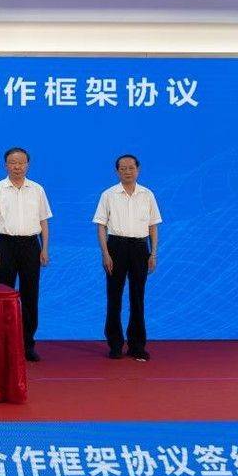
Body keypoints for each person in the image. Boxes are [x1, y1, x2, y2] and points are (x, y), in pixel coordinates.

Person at [0, 146, 52, 362]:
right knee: (3, 296)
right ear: (6, 165)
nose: (17, 166)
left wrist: (44, 248)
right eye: (13, 162)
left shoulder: (37, 189)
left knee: (30, 296)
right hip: (6, 246)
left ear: (27, 165)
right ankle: (2, 345)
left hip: (31, 245)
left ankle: (28, 344)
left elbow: (44, 221)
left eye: (21, 162)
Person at [93, 153, 163, 361]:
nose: (127, 171)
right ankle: (115, 344)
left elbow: (153, 226)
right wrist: (105, 253)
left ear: (138, 170)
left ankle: (137, 345)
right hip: (116, 246)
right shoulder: (108, 195)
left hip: (140, 247)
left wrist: (153, 252)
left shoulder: (147, 195)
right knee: (114, 296)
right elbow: (101, 226)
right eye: (122, 168)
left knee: (137, 297)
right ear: (117, 171)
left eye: (131, 168)